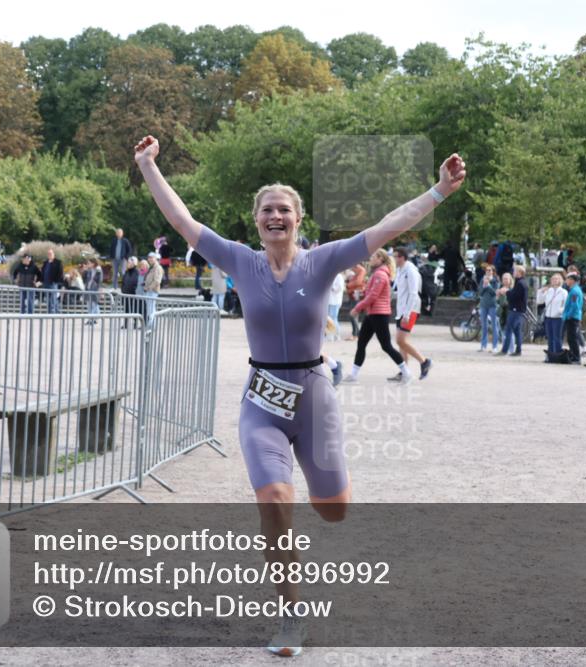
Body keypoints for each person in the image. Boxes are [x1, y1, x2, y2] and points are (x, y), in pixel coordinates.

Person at [134, 132, 466, 656]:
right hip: (261, 400)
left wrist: (440, 191)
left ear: (298, 218)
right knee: (273, 499)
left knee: (332, 510)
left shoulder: (323, 260)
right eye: (267, 209)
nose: (275, 216)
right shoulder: (239, 260)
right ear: (257, 219)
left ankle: (328, 481)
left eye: (284, 209)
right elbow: (181, 221)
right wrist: (148, 165)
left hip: (314, 396)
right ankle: (291, 615)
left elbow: (387, 226)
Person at [346, 249, 411, 384]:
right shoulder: (377, 274)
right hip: (372, 314)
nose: (371, 259)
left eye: (373, 257)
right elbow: (372, 294)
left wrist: (357, 308)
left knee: (386, 346)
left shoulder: (380, 275)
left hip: (379, 314)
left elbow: (373, 296)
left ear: (380, 259)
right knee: (362, 342)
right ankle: (353, 374)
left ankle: (406, 372)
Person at [392, 247, 432, 379]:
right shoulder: (399, 270)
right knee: (401, 342)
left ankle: (424, 362)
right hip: (401, 310)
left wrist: (407, 313)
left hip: (410, 309)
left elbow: (414, 294)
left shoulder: (411, 271)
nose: (393, 259)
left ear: (402, 257)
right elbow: (397, 289)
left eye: (395, 256)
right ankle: (404, 371)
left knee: (400, 340)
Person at [497, 266, 528, 356]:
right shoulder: (520, 283)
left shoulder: (520, 283)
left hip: (515, 310)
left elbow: (515, 296)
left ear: (519, 273)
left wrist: (506, 292)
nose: (513, 272)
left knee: (508, 329)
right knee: (517, 332)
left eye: (515, 271)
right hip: (518, 310)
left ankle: (504, 350)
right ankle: (518, 350)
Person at [539, 272, 567, 356]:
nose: (554, 280)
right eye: (553, 279)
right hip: (548, 317)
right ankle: (550, 354)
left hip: (558, 317)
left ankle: (558, 354)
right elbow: (540, 301)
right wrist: (541, 292)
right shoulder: (549, 291)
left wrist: (559, 311)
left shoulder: (563, 292)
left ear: (560, 280)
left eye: (556, 279)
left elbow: (565, 305)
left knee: (557, 337)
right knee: (550, 337)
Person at [477, 266, 500, 353]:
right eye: (486, 270)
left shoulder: (495, 280)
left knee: (494, 326)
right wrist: (484, 285)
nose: (488, 271)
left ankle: (495, 346)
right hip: (483, 305)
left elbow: (494, 293)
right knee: (484, 326)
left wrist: (489, 285)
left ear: (493, 271)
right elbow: (480, 292)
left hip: (492, 305)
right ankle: (483, 345)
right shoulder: (482, 280)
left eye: (490, 270)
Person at [563, 272, 584, 363]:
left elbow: (574, 306)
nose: (566, 281)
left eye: (567, 279)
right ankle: (573, 355)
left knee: (573, 338)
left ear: (572, 280)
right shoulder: (573, 290)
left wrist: (567, 315)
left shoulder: (575, 291)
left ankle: (576, 357)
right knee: (571, 338)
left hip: (573, 318)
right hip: (572, 317)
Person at [344, 262, 366, 340]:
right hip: (354, 296)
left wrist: (348, 285)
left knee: (352, 315)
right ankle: (356, 334)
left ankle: (357, 334)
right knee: (353, 315)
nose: (352, 269)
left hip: (356, 297)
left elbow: (358, 282)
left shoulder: (361, 270)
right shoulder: (357, 273)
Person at [40, 248, 63, 314]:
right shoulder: (45, 262)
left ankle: (53, 312)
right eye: (48, 254)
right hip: (45, 283)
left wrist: (57, 281)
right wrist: (41, 281)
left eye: (50, 253)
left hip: (53, 283)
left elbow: (60, 273)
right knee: (48, 299)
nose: (49, 255)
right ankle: (53, 312)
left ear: (54, 254)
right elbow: (43, 272)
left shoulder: (58, 262)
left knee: (53, 298)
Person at [144, 252, 163, 324]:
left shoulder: (157, 267)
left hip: (153, 291)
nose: (150, 259)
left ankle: (151, 325)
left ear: (156, 258)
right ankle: (151, 325)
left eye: (152, 257)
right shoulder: (152, 267)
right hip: (149, 291)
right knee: (150, 309)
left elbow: (157, 281)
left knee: (151, 309)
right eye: (149, 258)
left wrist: (149, 288)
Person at [121, 257, 140, 326]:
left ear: (134, 263)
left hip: (133, 294)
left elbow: (137, 282)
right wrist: (123, 290)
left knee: (134, 309)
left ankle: (135, 322)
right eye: (128, 262)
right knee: (126, 309)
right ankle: (126, 323)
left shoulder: (137, 272)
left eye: (129, 262)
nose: (128, 264)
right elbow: (123, 282)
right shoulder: (126, 272)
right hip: (126, 293)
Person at [326, 271, 344, 343]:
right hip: (330, 300)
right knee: (330, 319)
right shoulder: (332, 274)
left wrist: (330, 286)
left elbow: (339, 288)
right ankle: (332, 335)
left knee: (333, 319)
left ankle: (335, 335)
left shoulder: (338, 276)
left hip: (334, 301)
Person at [83, 259, 102, 323]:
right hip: (88, 289)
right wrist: (85, 271)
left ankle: (91, 319)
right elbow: (84, 279)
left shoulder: (98, 270)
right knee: (89, 305)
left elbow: (99, 281)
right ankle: (94, 318)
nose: (88, 264)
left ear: (93, 263)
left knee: (94, 304)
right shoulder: (89, 270)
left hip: (94, 290)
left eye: (89, 263)